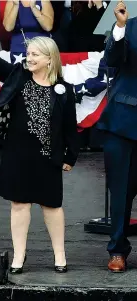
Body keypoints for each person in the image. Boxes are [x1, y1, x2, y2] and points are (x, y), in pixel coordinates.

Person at [0, 11, 79, 274]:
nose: (28, 58)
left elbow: (70, 128)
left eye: (34, 55)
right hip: (18, 154)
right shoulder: (18, 75)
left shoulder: (62, 90)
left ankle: (59, 256)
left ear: (49, 59)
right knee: (19, 205)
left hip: (48, 156)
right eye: (28, 54)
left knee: (51, 206)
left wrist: (70, 157)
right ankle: (19, 256)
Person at [96, 0, 136, 273]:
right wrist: (120, 27)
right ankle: (118, 250)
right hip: (123, 122)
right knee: (120, 192)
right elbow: (110, 61)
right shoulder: (127, 25)